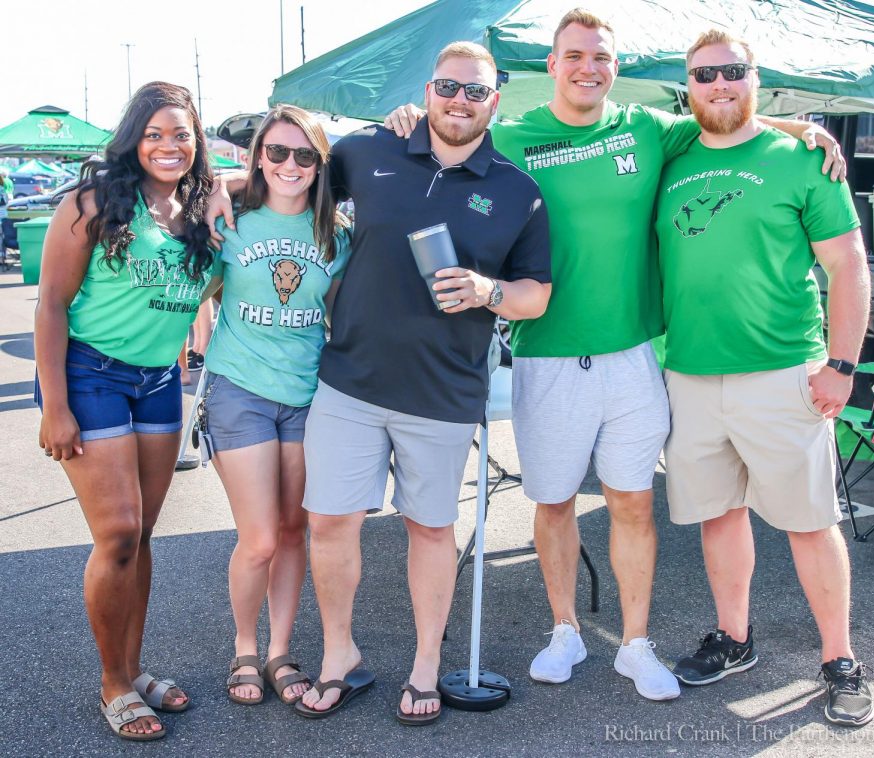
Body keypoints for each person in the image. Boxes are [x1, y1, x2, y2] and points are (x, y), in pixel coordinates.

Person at [385, 8, 846, 701]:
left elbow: (728, 118)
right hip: (545, 354)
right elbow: (448, 133)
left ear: (615, 67)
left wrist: (801, 129)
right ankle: (565, 630)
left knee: (633, 502)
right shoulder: (509, 135)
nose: (587, 68)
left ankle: (635, 643)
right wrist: (404, 120)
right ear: (552, 66)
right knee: (554, 501)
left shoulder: (646, 128)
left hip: (634, 356)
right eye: (574, 56)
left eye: (600, 57)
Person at [210, 41, 551, 724]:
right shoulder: (367, 152)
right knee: (330, 522)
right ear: (428, 90)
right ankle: (340, 657)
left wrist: (489, 291)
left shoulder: (518, 190)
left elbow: (535, 296)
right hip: (348, 384)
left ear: (495, 100)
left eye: (475, 91)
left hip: (443, 394)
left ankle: (426, 666)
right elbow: (289, 175)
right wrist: (224, 185)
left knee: (430, 529)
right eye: (448, 87)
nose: (459, 101)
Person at [655, 29, 873, 727]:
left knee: (810, 523)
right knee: (719, 515)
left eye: (733, 73)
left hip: (784, 373)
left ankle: (839, 658)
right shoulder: (673, 149)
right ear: (686, 86)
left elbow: (848, 267)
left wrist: (842, 366)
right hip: (690, 373)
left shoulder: (801, 160)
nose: (719, 84)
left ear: (757, 76)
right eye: (704, 75)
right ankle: (735, 638)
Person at [33, 82, 213, 741]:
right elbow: (50, 304)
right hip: (90, 375)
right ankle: (113, 684)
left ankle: (134, 670)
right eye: (156, 133)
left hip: (160, 382)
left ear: (198, 142)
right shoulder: (92, 204)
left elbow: (284, 170)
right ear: (134, 138)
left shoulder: (199, 212)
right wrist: (56, 406)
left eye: (183, 134)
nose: (170, 145)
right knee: (117, 533)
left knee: (141, 537)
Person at [202, 105, 350, 708]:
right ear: (258, 156)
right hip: (240, 390)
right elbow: (193, 291)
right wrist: (218, 184)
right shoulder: (230, 223)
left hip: (308, 396)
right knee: (259, 537)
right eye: (278, 152)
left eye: (304, 155)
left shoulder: (336, 237)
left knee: (295, 531)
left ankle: (279, 651)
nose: (290, 165)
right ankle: (243, 645)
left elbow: (342, 314)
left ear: (319, 165)